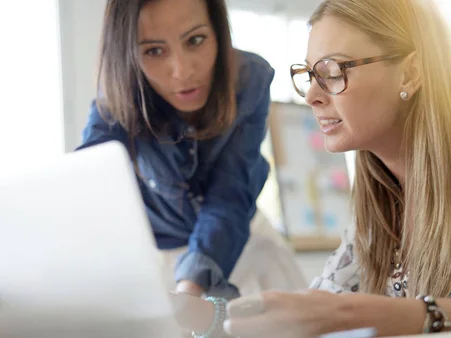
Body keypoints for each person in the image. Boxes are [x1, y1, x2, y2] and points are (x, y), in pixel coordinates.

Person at [220, 0, 451, 338]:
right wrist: (206, 316)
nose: (312, 96)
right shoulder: (375, 208)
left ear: (409, 73)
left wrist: (411, 316)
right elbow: (320, 309)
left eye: (332, 72)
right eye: (308, 75)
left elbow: (348, 313)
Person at [76, 0, 306, 307]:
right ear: (127, 54)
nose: (182, 72)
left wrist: (191, 290)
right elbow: (86, 184)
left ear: (218, 30)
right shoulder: (117, 97)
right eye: (154, 51)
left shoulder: (249, 79)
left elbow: (229, 195)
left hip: (243, 243)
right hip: (159, 258)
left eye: (195, 40)